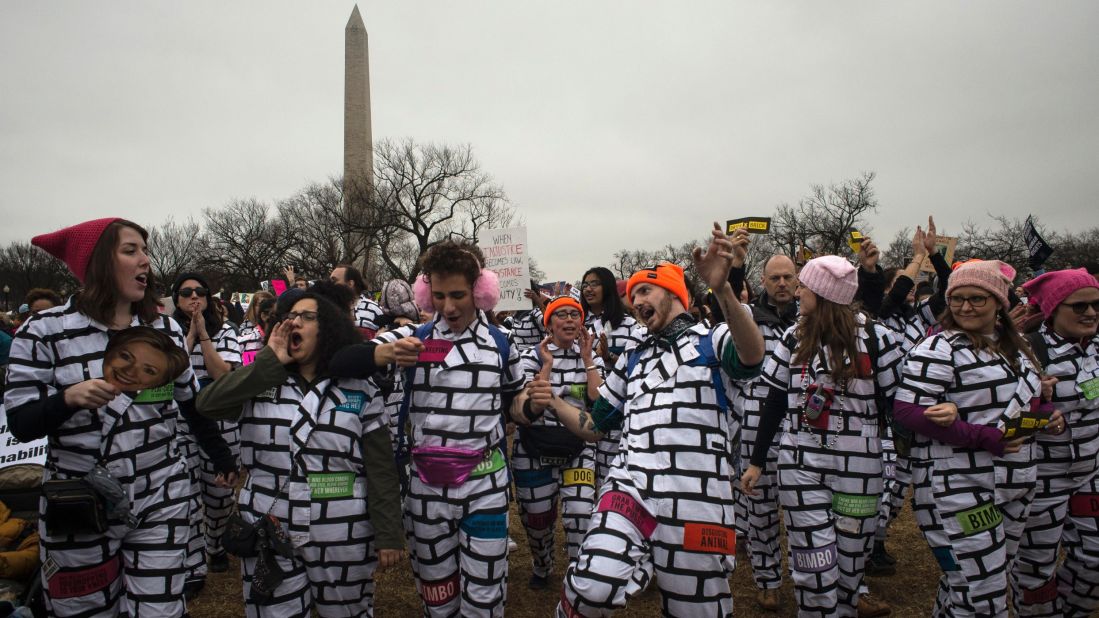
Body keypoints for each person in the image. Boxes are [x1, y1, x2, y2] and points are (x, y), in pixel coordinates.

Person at [4, 217, 235, 616]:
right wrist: (69, 399)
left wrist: (223, 458)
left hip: (161, 496)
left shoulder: (163, 327)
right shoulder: (43, 331)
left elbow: (190, 405)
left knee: (160, 610)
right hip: (79, 505)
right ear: (95, 262)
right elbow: (22, 424)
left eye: (146, 250)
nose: (145, 260)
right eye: (131, 251)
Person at [554, 223, 765, 617]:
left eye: (645, 290)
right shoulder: (635, 358)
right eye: (632, 296)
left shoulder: (712, 339)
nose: (636, 301)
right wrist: (552, 400)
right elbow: (595, 425)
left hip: (699, 505)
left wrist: (723, 290)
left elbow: (752, 355)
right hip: (630, 489)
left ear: (674, 293)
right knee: (590, 588)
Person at [336, 240, 522, 617]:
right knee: (438, 598)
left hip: (484, 487)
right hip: (426, 491)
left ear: (480, 290)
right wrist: (382, 352)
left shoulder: (502, 343)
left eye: (458, 295)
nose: (448, 307)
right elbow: (338, 361)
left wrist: (532, 402)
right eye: (438, 296)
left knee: (484, 598)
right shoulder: (413, 338)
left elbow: (514, 403)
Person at [194, 289, 403, 617]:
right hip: (269, 527)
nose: (294, 321)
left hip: (342, 528)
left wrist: (389, 533)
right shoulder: (258, 380)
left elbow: (381, 467)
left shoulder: (360, 388)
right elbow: (208, 405)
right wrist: (267, 364)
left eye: (306, 316)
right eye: (287, 316)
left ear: (328, 328)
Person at [742, 254, 902, 618]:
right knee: (813, 568)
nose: (796, 291)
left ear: (823, 293)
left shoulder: (878, 339)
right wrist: (756, 462)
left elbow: (899, 404)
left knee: (849, 566)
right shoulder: (793, 337)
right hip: (801, 467)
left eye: (803, 286)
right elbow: (775, 401)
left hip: (860, 471)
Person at [891, 260, 1049, 617]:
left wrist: (1043, 418)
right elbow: (906, 412)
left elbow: (1029, 403)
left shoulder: (1019, 346)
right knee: (984, 593)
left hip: (1015, 481)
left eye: (976, 298)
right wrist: (980, 436)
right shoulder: (938, 349)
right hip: (958, 485)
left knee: (978, 579)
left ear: (998, 301)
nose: (965, 307)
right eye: (958, 299)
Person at [1013, 268, 1099, 617]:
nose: (1090, 313)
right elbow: (1001, 424)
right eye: (1078, 307)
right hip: (1041, 480)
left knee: (1094, 560)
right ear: (1052, 309)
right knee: (1036, 573)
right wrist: (1038, 411)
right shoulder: (1025, 351)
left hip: (1090, 476)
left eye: (1095, 305)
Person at [509, 296, 603, 590]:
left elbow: (599, 405)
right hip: (533, 450)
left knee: (580, 513)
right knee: (537, 520)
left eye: (575, 315)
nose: (570, 320)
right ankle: (543, 563)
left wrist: (588, 361)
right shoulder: (528, 356)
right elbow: (529, 408)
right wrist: (546, 365)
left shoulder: (591, 356)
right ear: (548, 324)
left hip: (578, 449)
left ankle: (578, 576)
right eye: (561, 315)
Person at [731, 253, 799, 611]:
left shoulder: (812, 318)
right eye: (775, 278)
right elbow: (720, 305)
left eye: (789, 277)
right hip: (756, 427)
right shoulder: (749, 318)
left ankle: (822, 580)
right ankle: (768, 580)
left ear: (799, 279)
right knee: (760, 511)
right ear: (764, 280)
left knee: (806, 509)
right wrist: (735, 267)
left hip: (803, 428)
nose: (783, 284)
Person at [170, 272, 243, 590]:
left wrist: (204, 336)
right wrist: (187, 337)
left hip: (221, 425)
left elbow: (224, 374)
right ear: (176, 299)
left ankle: (215, 545)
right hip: (180, 426)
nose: (193, 297)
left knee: (219, 496)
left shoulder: (226, 331)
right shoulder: (165, 332)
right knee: (186, 497)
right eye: (185, 293)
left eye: (200, 292)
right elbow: (168, 370)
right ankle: (193, 564)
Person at [577, 266, 646, 489]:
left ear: (607, 287)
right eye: (585, 284)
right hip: (585, 413)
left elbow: (638, 367)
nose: (588, 289)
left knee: (612, 480)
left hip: (616, 414)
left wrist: (609, 357)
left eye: (594, 283)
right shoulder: (577, 323)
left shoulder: (630, 326)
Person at [329, 263, 382, 335]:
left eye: (334, 280)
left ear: (350, 284)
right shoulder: (326, 308)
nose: (329, 284)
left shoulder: (374, 310)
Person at [239, 291, 276, 365]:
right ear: (253, 307)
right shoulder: (247, 339)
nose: (265, 306)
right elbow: (248, 367)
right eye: (261, 303)